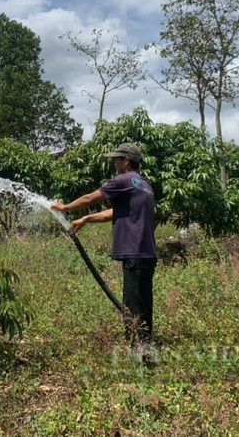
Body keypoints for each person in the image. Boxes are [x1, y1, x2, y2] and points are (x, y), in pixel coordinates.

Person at [50, 142, 158, 354]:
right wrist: (86, 219)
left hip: (135, 251)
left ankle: (139, 351)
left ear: (126, 161)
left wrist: (65, 207)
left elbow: (91, 198)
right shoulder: (143, 184)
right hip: (146, 252)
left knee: (133, 303)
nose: (114, 164)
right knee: (143, 301)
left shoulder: (123, 180)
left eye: (116, 160)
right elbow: (116, 212)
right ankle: (145, 343)